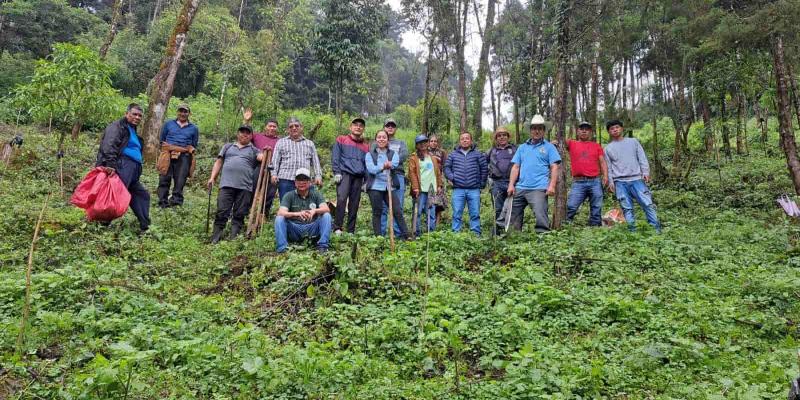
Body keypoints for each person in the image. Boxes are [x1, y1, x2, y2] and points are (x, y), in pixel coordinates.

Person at [95, 103, 150, 232]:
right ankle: (103, 223)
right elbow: (109, 145)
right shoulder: (117, 126)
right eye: (134, 114)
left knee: (142, 195)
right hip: (122, 165)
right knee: (115, 195)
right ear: (127, 114)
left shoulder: (132, 129)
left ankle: (145, 226)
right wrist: (110, 165)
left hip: (133, 168)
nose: (137, 117)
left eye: (140, 116)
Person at [207, 125, 266, 243]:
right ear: (237, 134)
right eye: (242, 132)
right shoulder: (228, 147)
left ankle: (234, 237)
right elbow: (219, 162)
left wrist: (265, 152)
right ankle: (216, 236)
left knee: (240, 213)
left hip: (245, 187)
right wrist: (212, 177)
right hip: (226, 185)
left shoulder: (254, 150)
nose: (244, 134)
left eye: (247, 133)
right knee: (222, 210)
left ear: (251, 136)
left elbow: (262, 158)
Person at [603, 119, 661, 232]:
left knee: (648, 204)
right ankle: (632, 232)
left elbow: (642, 157)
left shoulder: (633, 142)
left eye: (617, 127)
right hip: (620, 182)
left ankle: (656, 230)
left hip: (637, 179)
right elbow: (609, 167)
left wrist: (646, 172)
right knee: (627, 208)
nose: (615, 130)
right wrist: (611, 182)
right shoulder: (607, 148)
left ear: (621, 128)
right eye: (612, 129)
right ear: (609, 132)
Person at [507, 115, 561, 233]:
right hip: (520, 187)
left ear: (543, 130)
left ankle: (543, 238)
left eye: (540, 128)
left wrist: (551, 186)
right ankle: (514, 235)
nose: (537, 131)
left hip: (539, 187)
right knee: (514, 214)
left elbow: (554, 167)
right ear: (530, 130)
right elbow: (516, 167)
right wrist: (511, 185)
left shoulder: (549, 147)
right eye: (534, 128)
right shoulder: (522, 147)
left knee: (540, 214)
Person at [274, 168, 332, 253]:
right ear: (295, 182)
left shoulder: (316, 194)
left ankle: (323, 246)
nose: (301, 182)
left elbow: (326, 209)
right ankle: (282, 249)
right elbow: (281, 212)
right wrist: (297, 214)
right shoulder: (289, 195)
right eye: (299, 180)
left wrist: (314, 211)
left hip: (312, 228)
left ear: (310, 182)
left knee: (326, 216)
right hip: (294, 229)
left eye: (304, 179)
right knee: (279, 218)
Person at [366, 130, 411, 239]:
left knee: (397, 210)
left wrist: (388, 165)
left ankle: (406, 235)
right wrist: (382, 167)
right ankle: (378, 237)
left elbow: (395, 163)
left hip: (388, 186)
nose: (381, 139)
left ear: (387, 140)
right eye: (379, 137)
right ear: (376, 140)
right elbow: (371, 169)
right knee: (377, 211)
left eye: (384, 137)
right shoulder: (370, 154)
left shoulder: (392, 153)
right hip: (375, 187)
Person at [562, 121, 608, 226]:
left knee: (596, 206)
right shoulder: (572, 143)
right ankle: (565, 226)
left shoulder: (596, 146)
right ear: (577, 131)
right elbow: (558, 141)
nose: (584, 131)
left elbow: (602, 161)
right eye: (581, 129)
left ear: (590, 132)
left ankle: (595, 227)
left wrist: (605, 176)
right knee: (571, 206)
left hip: (595, 181)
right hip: (578, 182)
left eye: (586, 129)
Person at [444, 132, 488, 235]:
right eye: (462, 138)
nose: (464, 140)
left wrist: (481, 183)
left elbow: (484, 168)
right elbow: (446, 168)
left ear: (471, 141)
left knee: (475, 213)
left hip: (474, 189)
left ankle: (476, 234)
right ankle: (456, 234)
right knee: (457, 213)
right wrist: (452, 177)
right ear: (460, 141)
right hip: (458, 189)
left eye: (467, 138)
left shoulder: (478, 154)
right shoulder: (453, 154)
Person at [332, 117, 370, 234]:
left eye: (361, 125)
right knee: (342, 199)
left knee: (354, 203)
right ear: (350, 127)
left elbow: (367, 164)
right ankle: (338, 227)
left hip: (358, 177)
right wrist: (336, 172)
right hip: (344, 175)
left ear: (363, 129)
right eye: (355, 125)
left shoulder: (366, 146)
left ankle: (350, 230)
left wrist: (366, 181)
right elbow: (335, 157)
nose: (358, 127)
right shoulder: (342, 139)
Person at [156, 103, 199, 208]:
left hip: (184, 156)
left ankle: (176, 203)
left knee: (180, 179)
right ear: (177, 112)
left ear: (189, 113)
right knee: (164, 178)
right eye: (181, 111)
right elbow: (162, 139)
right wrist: (171, 148)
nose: (183, 114)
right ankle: (163, 202)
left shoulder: (194, 128)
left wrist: (182, 149)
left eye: (185, 111)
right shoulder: (168, 124)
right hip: (168, 154)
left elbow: (194, 143)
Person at [270, 117, 323, 200]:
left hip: (305, 179)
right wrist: (273, 174)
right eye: (291, 126)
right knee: (286, 205)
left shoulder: (309, 144)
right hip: (285, 179)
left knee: (306, 205)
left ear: (301, 127)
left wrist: (318, 176)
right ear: (287, 130)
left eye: (296, 126)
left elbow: (316, 162)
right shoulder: (281, 142)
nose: (294, 128)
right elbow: (275, 161)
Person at [408, 134, 442, 236]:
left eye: (424, 142)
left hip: (432, 190)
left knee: (431, 212)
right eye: (420, 143)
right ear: (417, 145)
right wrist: (415, 187)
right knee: (417, 212)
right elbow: (412, 173)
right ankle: (416, 233)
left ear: (427, 143)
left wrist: (439, 185)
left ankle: (430, 233)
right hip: (420, 189)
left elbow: (437, 172)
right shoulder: (414, 158)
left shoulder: (432, 157)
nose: (423, 145)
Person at [486, 127, 516, 232]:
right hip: (497, 183)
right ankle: (497, 231)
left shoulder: (514, 149)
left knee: (511, 207)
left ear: (508, 137)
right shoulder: (491, 151)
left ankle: (510, 230)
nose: (502, 137)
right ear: (496, 138)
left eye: (504, 135)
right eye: (499, 135)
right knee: (498, 207)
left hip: (511, 183)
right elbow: (482, 163)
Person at [252, 119, 281, 215]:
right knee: (252, 189)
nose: (272, 128)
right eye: (270, 126)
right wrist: (246, 121)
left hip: (274, 169)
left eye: (274, 126)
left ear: (277, 128)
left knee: (270, 193)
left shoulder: (280, 141)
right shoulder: (257, 136)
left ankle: (264, 214)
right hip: (259, 167)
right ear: (265, 127)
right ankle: (247, 211)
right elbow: (245, 135)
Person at [427, 134, 448, 224]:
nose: (433, 143)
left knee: (439, 201)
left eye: (435, 141)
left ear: (438, 142)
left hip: (439, 178)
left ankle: (437, 222)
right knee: (429, 200)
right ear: (428, 142)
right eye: (431, 141)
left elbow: (445, 165)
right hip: (428, 178)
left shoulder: (442, 152)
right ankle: (429, 222)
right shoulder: (425, 152)